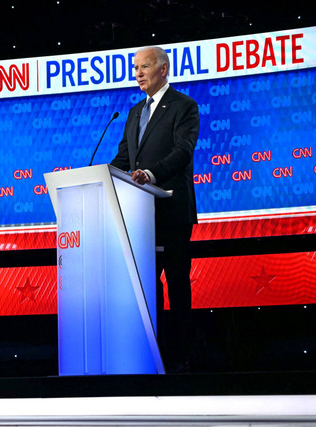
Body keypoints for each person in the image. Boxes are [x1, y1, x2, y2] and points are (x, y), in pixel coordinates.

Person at [110, 46, 200, 372]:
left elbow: (183, 152)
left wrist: (150, 174)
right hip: (141, 217)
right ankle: (155, 354)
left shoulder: (184, 107)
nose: (137, 73)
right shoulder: (135, 112)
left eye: (144, 66)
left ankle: (182, 359)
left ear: (163, 69)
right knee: (148, 286)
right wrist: (98, 177)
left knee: (176, 283)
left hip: (172, 212)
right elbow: (123, 160)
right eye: (135, 67)